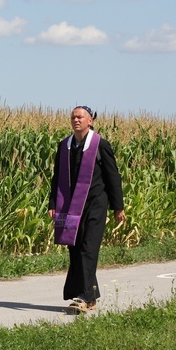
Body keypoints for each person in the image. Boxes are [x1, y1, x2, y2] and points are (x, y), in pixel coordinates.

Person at [48, 105, 125, 314]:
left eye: (80, 117)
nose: (76, 120)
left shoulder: (100, 145)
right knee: (75, 248)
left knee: (88, 249)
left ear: (90, 121)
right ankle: (90, 297)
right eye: (73, 117)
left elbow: (113, 176)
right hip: (71, 207)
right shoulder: (65, 146)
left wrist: (118, 207)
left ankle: (83, 296)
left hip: (95, 205)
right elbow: (57, 178)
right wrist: (53, 203)